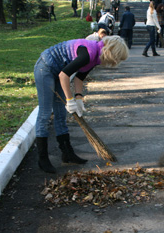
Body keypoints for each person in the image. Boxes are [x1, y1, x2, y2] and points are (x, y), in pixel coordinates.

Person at [34, 36, 129, 174]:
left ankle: (67, 154)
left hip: (58, 71)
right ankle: (42, 159)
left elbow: (79, 77)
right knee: (45, 114)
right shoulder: (88, 53)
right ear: (111, 52)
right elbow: (64, 76)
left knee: (61, 114)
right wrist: (70, 100)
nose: (115, 62)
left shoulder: (95, 57)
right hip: (45, 68)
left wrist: (78, 98)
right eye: (117, 58)